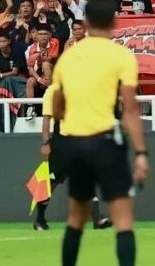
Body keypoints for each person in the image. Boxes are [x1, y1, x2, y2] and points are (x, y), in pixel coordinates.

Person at [50, 0, 149, 266]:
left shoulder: (68, 57)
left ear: (87, 22)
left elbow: (57, 107)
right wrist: (141, 153)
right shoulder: (121, 55)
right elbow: (130, 109)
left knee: (76, 218)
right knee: (123, 219)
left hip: (74, 143)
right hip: (105, 141)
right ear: (114, 22)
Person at [34, 83, 112, 231]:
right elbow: (46, 119)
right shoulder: (53, 90)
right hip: (61, 142)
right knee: (50, 182)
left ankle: (98, 218)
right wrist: (45, 143)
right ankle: (39, 219)